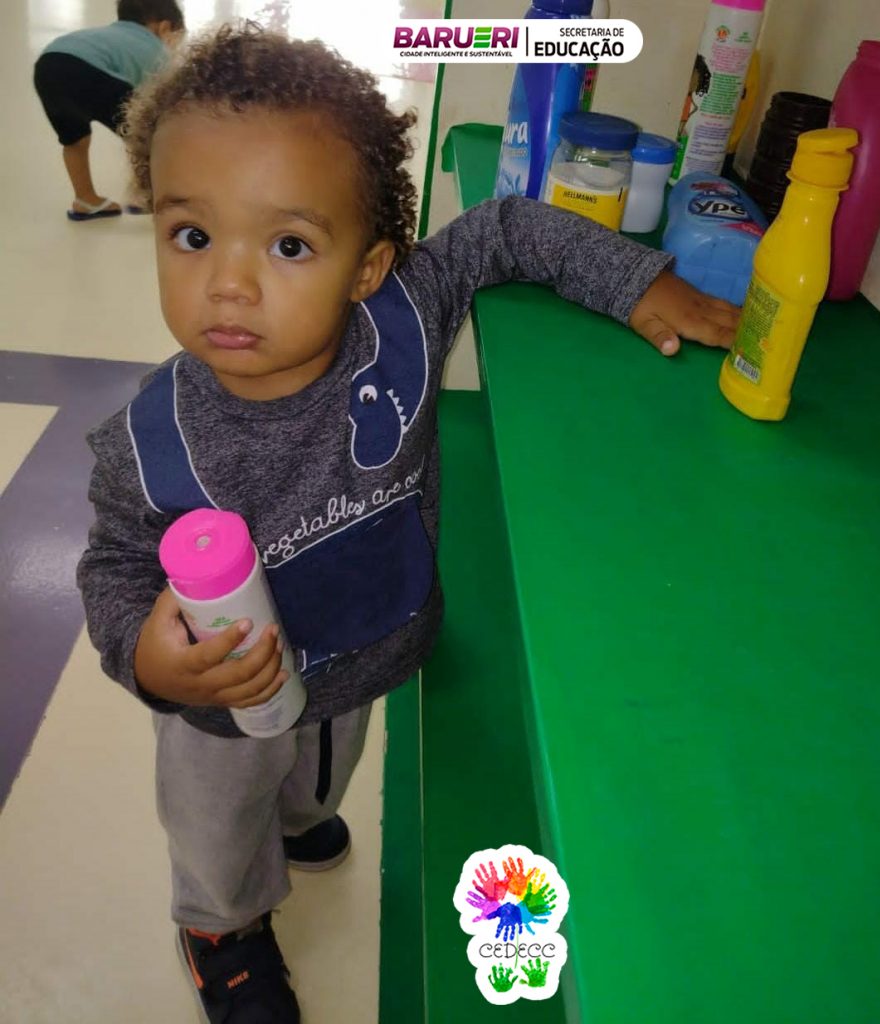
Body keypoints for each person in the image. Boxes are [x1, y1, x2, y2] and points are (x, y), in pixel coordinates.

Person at [75, 22, 739, 1024]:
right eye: (192, 235)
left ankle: (296, 823)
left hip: (368, 650)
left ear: (368, 266)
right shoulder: (150, 439)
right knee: (219, 825)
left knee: (318, 783)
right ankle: (222, 927)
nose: (228, 283)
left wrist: (635, 278)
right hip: (224, 706)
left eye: (289, 245)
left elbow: (507, 229)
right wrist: (147, 656)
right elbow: (114, 567)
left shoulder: (405, 319)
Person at [33, 0, 184, 220]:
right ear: (163, 28)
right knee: (148, 138)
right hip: (87, 70)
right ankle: (145, 195)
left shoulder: (108, 35)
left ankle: (85, 199)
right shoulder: (156, 49)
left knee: (74, 140)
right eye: (175, 39)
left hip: (48, 65)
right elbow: (158, 99)